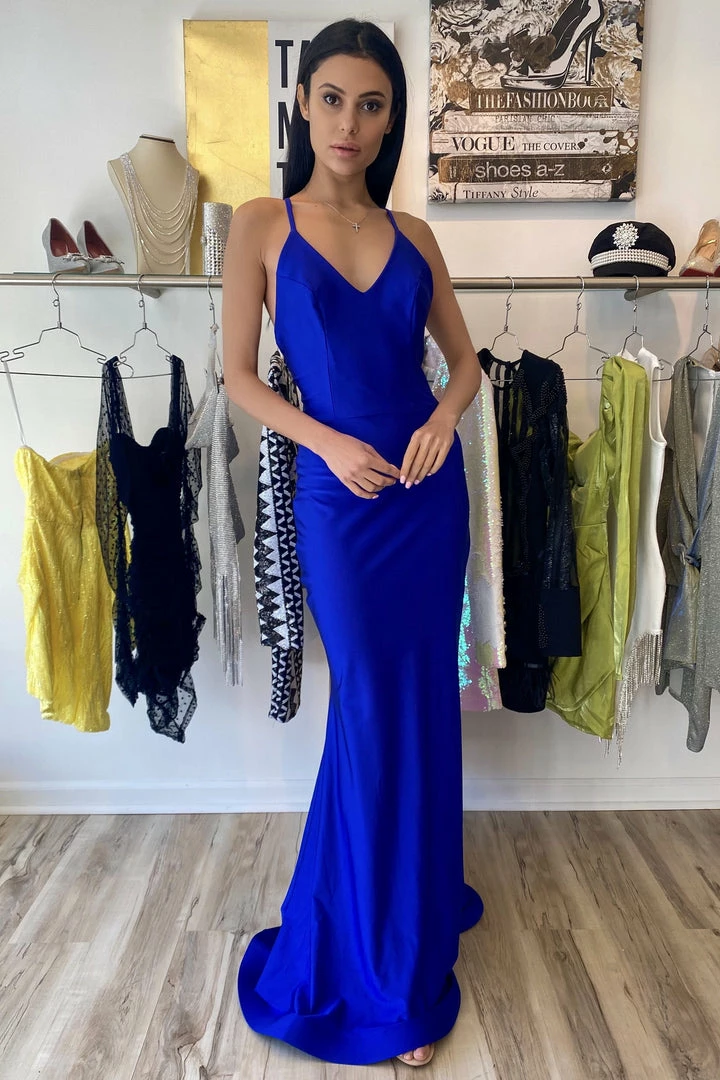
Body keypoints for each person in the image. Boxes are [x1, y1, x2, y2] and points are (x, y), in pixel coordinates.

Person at [221, 18, 484, 1068]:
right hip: (340, 504)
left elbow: (465, 366)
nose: (349, 122)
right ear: (302, 103)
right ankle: (378, 965)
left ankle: (404, 924)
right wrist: (326, 440)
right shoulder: (261, 224)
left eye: (372, 104)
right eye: (332, 98)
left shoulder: (415, 234)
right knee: (371, 709)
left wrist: (443, 420)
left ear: (390, 119)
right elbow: (239, 379)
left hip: (426, 498)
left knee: (418, 704)